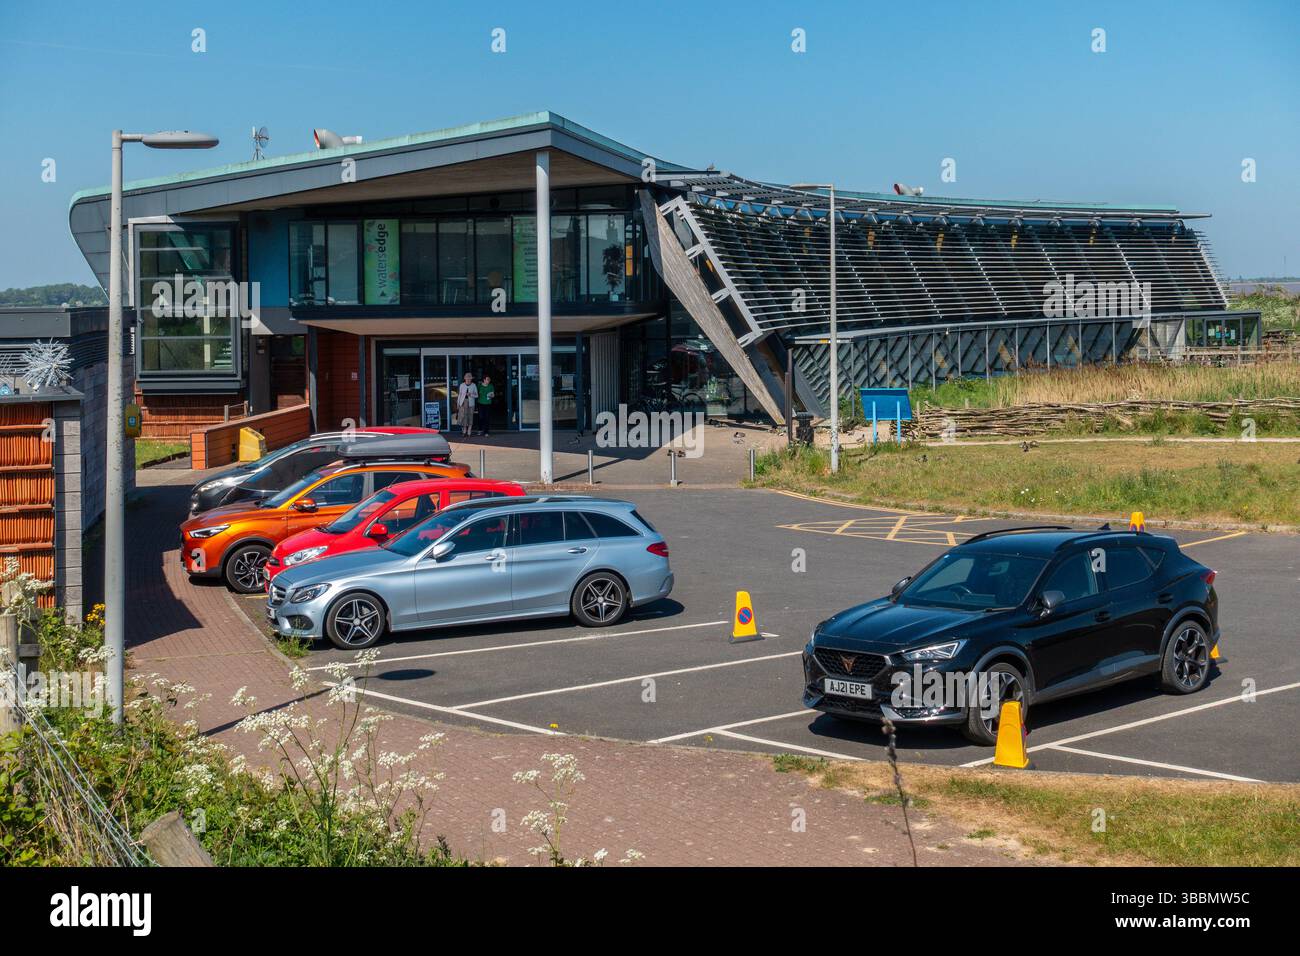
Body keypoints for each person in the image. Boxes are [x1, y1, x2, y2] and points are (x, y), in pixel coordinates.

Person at [456, 371, 476, 436]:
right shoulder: (462, 385)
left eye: (469, 378)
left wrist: (471, 394)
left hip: (471, 403)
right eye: (467, 377)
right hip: (463, 402)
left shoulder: (473, 385)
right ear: (464, 378)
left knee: (470, 416)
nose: (468, 379)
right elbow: (459, 395)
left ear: (471, 379)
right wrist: (458, 403)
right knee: (464, 416)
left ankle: (469, 429)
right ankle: (464, 430)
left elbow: (477, 395)